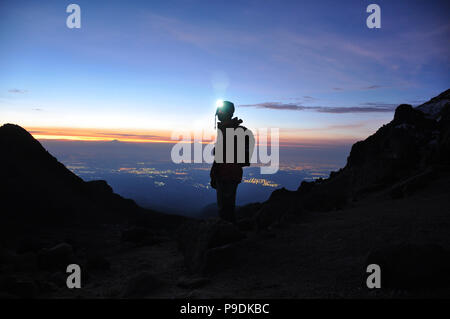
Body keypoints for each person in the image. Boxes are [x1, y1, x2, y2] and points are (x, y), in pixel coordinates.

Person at [210, 100, 253, 224]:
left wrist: (214, 174)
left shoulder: (228, 130)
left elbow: (221, 157)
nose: (218, 114)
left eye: (220, 111)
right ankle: (230, 233)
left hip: (226, 174)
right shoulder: (231, 129)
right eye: (218, 111)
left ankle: (228, 235)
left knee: (225, 209)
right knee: (228, 207)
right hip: (232, 174)